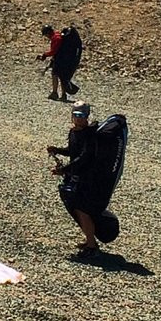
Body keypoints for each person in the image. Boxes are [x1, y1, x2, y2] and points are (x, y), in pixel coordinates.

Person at [48, 102, 100, 254]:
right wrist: (57, 150)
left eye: (81, 115)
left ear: (87, 116)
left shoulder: (90, 134)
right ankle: (90, 241)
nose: (78, 118)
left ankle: (92, 246)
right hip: (76, 176)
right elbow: (72, 151)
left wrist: (64, 170)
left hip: (86, 178)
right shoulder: (74, 132)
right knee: (77, 210)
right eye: (76, 115)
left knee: (83, 210)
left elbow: (84, 157)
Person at [37, 25, 66, 101]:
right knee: (62, 77)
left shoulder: (56, 38)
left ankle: (55, 93)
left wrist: (45, 55)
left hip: (60, 60)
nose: (46, 37)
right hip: (63, 59)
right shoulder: (58, 35)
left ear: (48, 33)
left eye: (46, 35)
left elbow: (54, 51)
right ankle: (63, 94)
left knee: (55, 75)